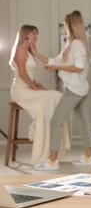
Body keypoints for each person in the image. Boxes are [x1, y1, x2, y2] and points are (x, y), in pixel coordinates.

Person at [31, 10, 91, 170]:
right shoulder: (72, 44)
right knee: (85, 123)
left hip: (74, 90)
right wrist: (36, 54)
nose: (64, 28)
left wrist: (58, 67)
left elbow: (79, 68)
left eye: (65, 25)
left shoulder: (76, 45)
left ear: (71, 25)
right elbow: (54, 60)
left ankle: (52, 161)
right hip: (82, 90)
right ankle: (89, 157)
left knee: (55, 122)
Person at [9, 25, 70, 166]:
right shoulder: (20, 50)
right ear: (26, 34)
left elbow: (29, 75)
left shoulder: (29, 51)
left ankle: (52, 148)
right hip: (20, 90)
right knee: (51, 100)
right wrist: (34, 87)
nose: (36, 36)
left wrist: (37, 85)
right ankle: (37, 130)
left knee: (56, 96)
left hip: (29, 87)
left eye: (37, 34)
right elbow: (22, 74)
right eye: (34, 33)